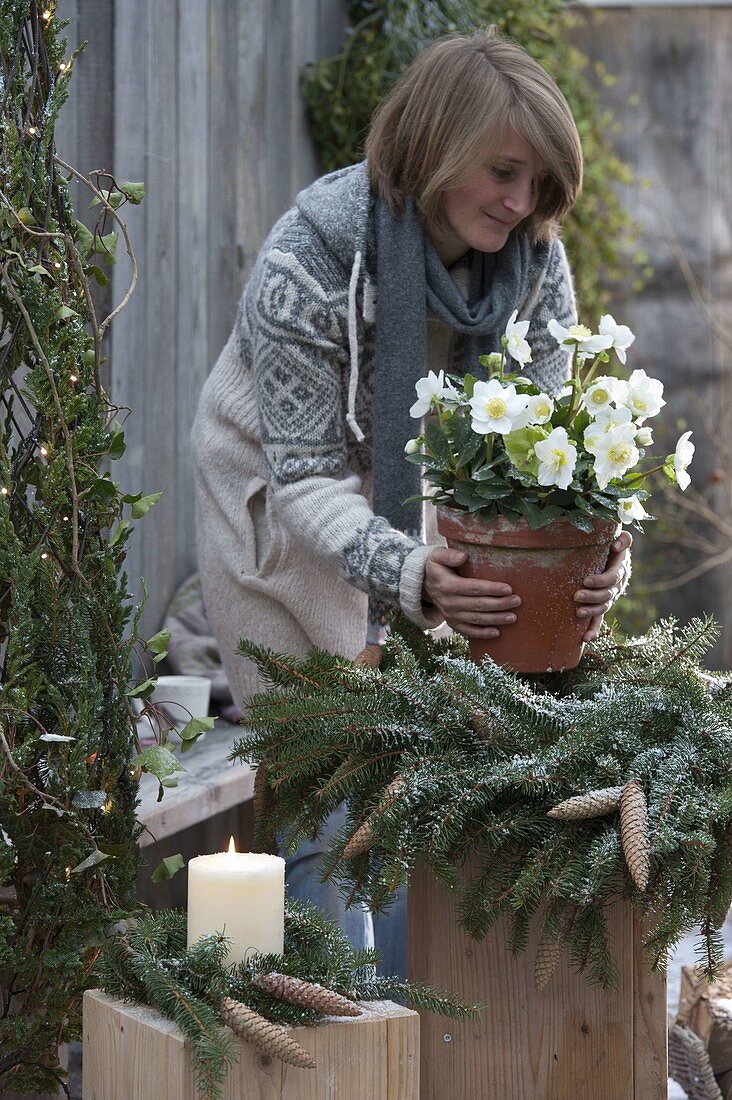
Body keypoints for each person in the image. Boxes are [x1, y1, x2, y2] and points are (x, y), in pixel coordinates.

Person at [191, 28, 631, 966]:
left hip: (426, 495)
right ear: (435, 149)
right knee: (330, 766)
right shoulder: (312, 254)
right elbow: (307, 472)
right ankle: (332, 1020)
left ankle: (416, 1026)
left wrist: (598, 560)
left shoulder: (532, 262)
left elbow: (555, 453)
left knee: (427, 772)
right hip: (278, 499)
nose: (521, 203)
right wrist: (412, 576)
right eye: (502, 172)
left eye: (538, 181)